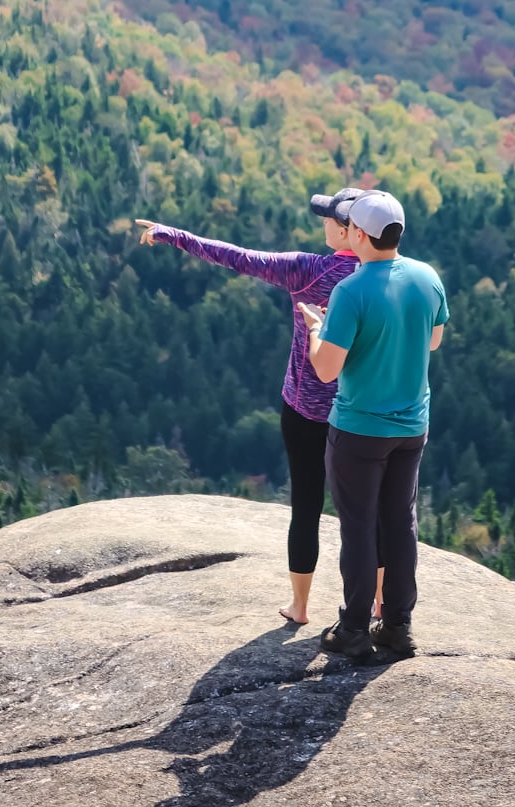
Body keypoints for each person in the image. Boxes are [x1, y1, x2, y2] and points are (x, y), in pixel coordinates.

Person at [135, 188, 382, 625]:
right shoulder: (382, 275)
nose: (321, 223)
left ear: (347, 230)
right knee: (365, 512)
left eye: (327, 219)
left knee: (306, 507)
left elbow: (238, 257)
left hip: (306, 411)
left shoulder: (308, 270)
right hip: (362, 413)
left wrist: (173, 235)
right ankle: (379, 602)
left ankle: (300, 607)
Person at [298, 188, 447, 661]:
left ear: (358, 234)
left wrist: (317, 328)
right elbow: (434, 341)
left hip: (360, 428)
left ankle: (354, 629)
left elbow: (326, 369)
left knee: (359, 526)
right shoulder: (427, 277)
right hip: (412, 426)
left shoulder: (351, 290)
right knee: (400, 522)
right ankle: (398, 627)